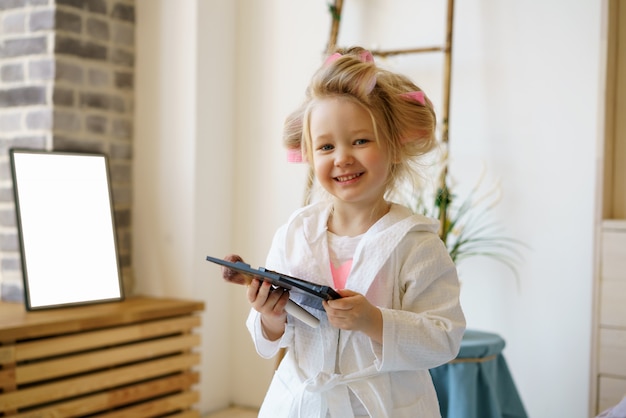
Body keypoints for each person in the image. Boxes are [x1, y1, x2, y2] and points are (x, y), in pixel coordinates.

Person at [222, 46, 466, 418]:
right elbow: (270, 338)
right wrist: (270, 317)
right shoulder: (295, 233)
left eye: (361, 141)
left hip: (384, 407)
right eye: (325, 146)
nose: (342, 158)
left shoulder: (417, 243)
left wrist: (374, 320)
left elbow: (444, 337)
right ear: (309, 153)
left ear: (394, 146)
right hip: (302, 404)